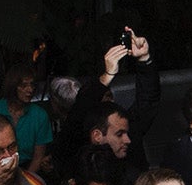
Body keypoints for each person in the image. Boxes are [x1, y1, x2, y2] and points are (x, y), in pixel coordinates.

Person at [64, 30, 156, 160]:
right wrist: (107, 76)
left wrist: (144, 59)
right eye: (119, 134)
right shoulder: (78, 145)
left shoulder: (128, 127)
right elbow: (79, 111)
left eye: (110, 96)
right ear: (96, 135)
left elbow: (147, 99)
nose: (127, 140)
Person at [0, 63, 54, 178]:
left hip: (24, 170)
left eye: (32, 85)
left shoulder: (40, 115)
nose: (30, 90)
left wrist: (24, 182)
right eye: (24, 85)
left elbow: (38, 157)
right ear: (13, 86)